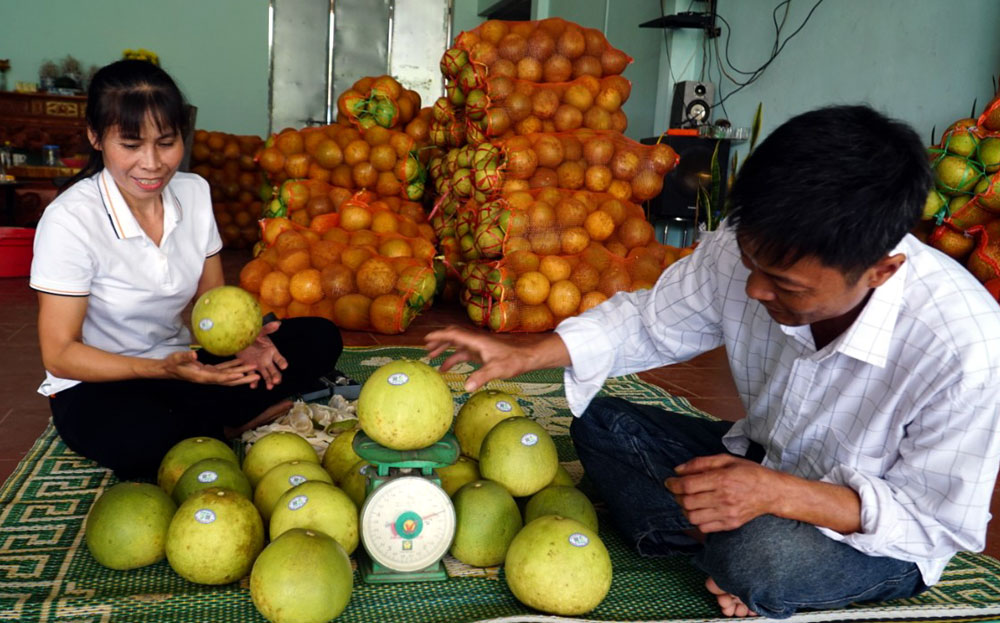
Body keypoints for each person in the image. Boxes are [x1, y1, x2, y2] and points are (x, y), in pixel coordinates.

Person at [426, 105, 1000, 618]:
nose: (754, 290)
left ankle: (735, 555)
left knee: (758, 557)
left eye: (784, 284)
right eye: (751, 262)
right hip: (758, 457)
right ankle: (723, 547)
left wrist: (776, 496)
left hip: (866, 533)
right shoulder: (746, 246)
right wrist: (527, 352)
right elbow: (650, 322)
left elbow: (934, 521)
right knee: (601, 424)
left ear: (881, 270)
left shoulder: (964, 347)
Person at [30, 60, 343, 480]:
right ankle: (224, 425)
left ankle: (212, 426)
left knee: (319, 338)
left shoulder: (193, 193)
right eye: (131, 145)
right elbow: (61, 354)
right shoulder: (70, 219)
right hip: (100, 385)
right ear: (95, 136)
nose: (152, 163)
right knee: (145, 436)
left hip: (183, 367)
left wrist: (244, 342)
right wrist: (160, 368)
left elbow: (208, 304)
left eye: (166, 142)